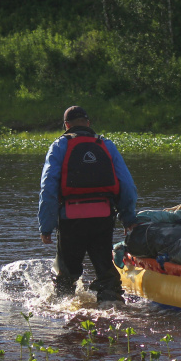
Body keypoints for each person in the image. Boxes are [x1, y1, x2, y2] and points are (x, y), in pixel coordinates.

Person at [38, 106, 138, 302]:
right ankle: (111, 305)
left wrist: (46, 226)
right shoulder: (106, 145)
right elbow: (127, 185)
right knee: (105, 269)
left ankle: (65, 315)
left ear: (66, 125)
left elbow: (48, 188)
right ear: (88, 123)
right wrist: (128, 218)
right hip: (103, 218)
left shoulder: (59, 146)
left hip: (70, 220)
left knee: (66, 276)